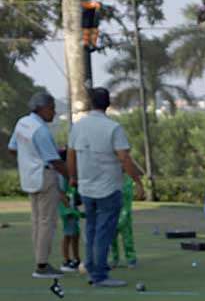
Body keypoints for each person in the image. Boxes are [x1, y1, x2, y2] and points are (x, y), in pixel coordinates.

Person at [67, 87, 144, 288]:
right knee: (103, 232)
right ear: (108, 104)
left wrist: (73, 178)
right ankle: (99, 275)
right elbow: (124, 157)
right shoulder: (113, 128)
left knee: (92, 230)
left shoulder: (78, 127)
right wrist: (137, 182)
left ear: (91, 104)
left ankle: (92, 268)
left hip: (86, 188)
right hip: (109, 188)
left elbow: (71, 155)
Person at [7, 91, 68, 278]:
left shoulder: (22, 123)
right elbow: (54, 160)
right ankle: (42, 265)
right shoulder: (41, 130)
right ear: (43, 109)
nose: (54, 113)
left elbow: (12, 148)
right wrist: (72, 176)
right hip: (44, 176)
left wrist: (28, 159)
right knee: (47, 223)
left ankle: (40, 260)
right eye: (52, 109)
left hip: (29, 177)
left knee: (36, 222)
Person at [109, 171, 138, 269]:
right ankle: (115, 259)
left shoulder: (128, 179)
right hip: (112, 213)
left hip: (125, 213)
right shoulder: (110, 176)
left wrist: (124, 214)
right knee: (112, 238)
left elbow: (128, 199)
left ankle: (131, 259)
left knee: (127, 238)